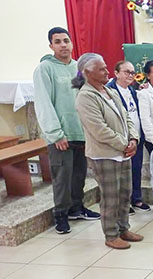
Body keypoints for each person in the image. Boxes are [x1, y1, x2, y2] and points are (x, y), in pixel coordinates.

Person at [33, 27, 100, 234]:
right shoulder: (45, 69)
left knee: (79, 174)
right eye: (58, 41)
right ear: (51, 45)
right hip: (61, 134)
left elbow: (86, 97)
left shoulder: (78, 68)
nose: (63, 45)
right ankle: (60, 214)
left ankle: (76, 207)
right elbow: (44, 103)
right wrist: (56, 134)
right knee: (62, 176)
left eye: (66, 40)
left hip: (80, 131)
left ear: (71, 43)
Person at [73, 53, 142, 249]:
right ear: (87, 72)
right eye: (101, 68)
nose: (106, 71)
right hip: (104, 154)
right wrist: (124, 144)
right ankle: (111, 235)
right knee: (111, 196)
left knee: (124, 194)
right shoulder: (85, 97)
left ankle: (123, 228)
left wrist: (133, 139)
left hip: (122, 152)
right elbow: (99, 130)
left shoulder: (108, 90)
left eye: (105, 67)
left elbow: (126, 116)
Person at [107, 60, 151, 214]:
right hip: (120, 139)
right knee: (122, 173)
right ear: (116, 73)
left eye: (133, 72)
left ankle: (136, 198)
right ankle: (123, 203)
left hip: (136, 136)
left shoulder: (133, 90)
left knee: (136, 168)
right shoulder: (109, 91)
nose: (131, 75)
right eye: (127, 72)